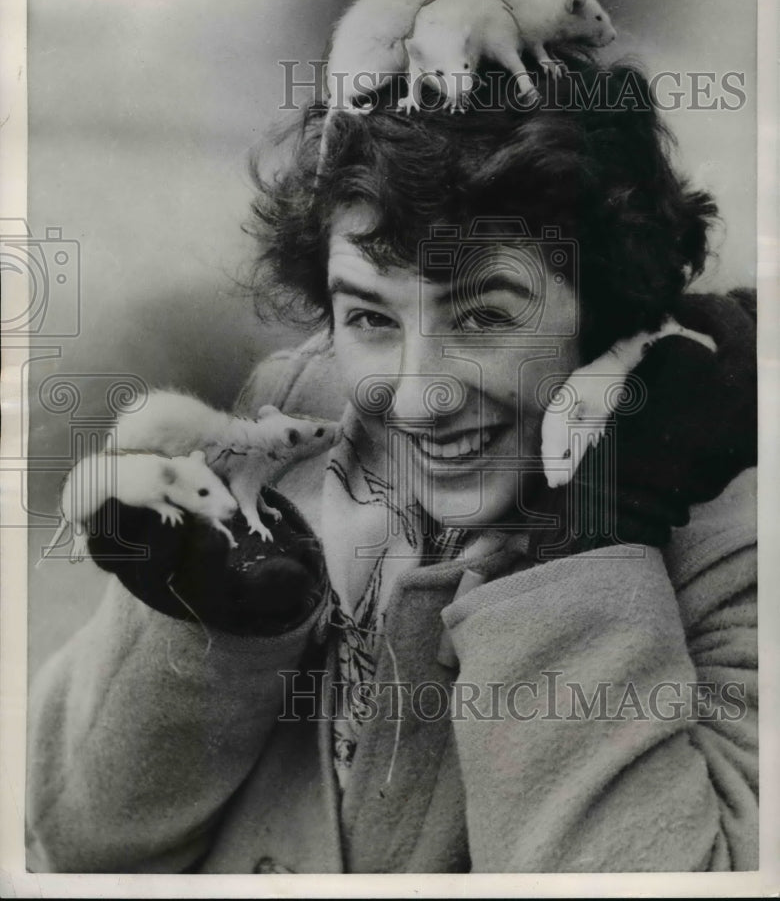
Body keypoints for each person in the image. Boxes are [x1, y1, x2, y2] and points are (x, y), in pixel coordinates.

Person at [26, 51, 757, 873]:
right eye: (372, 318)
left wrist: (594, 537)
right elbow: (77, 843)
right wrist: (220, 631)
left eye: (484, 317)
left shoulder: (736, 553)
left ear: (611, 308)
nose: (416, 399)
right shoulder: (294, 433)